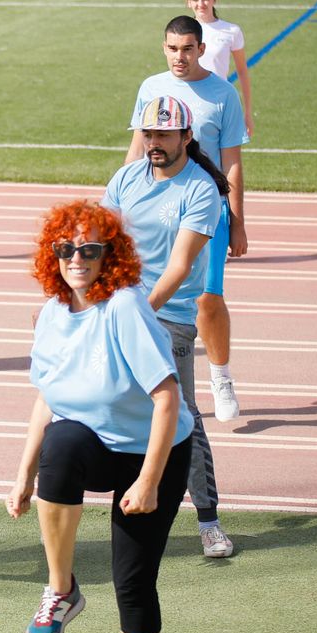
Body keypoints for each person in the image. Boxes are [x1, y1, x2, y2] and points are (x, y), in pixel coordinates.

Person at [6, 200, 193, 633]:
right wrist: (22, 477)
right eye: (67, 249)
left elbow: (167, 397)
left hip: (153, 453)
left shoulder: (125, 307)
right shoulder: (53, 313)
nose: (77, 259)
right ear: (53, 255)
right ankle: (61, 589)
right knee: (60, 446)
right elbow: (48, 400)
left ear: (110, 254)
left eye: (90, 249)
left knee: (132, 584)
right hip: (95, 445)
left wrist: (150, 481)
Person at [104, 97, 235, 559]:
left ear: (186, 138)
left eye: (163, 135)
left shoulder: (200, 190)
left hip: (170, 316)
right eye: (148, 134)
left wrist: (139, 310)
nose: (153, 143)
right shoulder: (125, 178)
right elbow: (104, 243)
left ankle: (208, 521)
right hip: (120, 307)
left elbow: (180, 266)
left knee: (184, 414)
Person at [125, 16, 248, 421]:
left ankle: (221, 375)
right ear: (164, 48)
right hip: (156, 210)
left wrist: (238, 220)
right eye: (172, 48)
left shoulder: (222, 94)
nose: (180, 56)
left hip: (204, 209)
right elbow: (137, 150)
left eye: (187, 49)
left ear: (201, 49)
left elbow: (231, 161)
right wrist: (123, 199)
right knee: (152, 289)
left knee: (207, 298)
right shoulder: (151, 88)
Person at [186, 0, 253, 138]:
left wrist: (247, 113)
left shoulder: (231, 31)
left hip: (219, 103)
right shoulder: (184, 31)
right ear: (188, 2)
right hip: (189, 102)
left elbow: (242, 72)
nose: (201, 4)